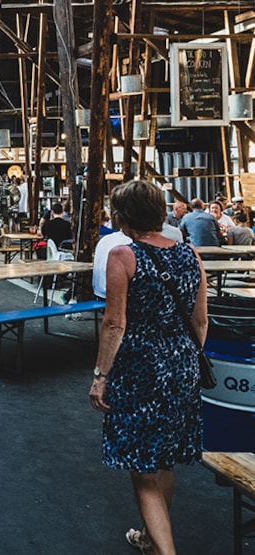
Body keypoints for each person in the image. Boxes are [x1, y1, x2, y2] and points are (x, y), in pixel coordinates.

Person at [88, 179, 207, 555]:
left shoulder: (124, 256)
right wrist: (181, 359)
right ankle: (149, 536)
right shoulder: (191, 254)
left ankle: (164, 551)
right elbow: (202, 321)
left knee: (141, 469)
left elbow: (114, 323)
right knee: (164, 459)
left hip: (141, 369)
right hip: (183, 364)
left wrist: (100, 376)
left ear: (123, 216)